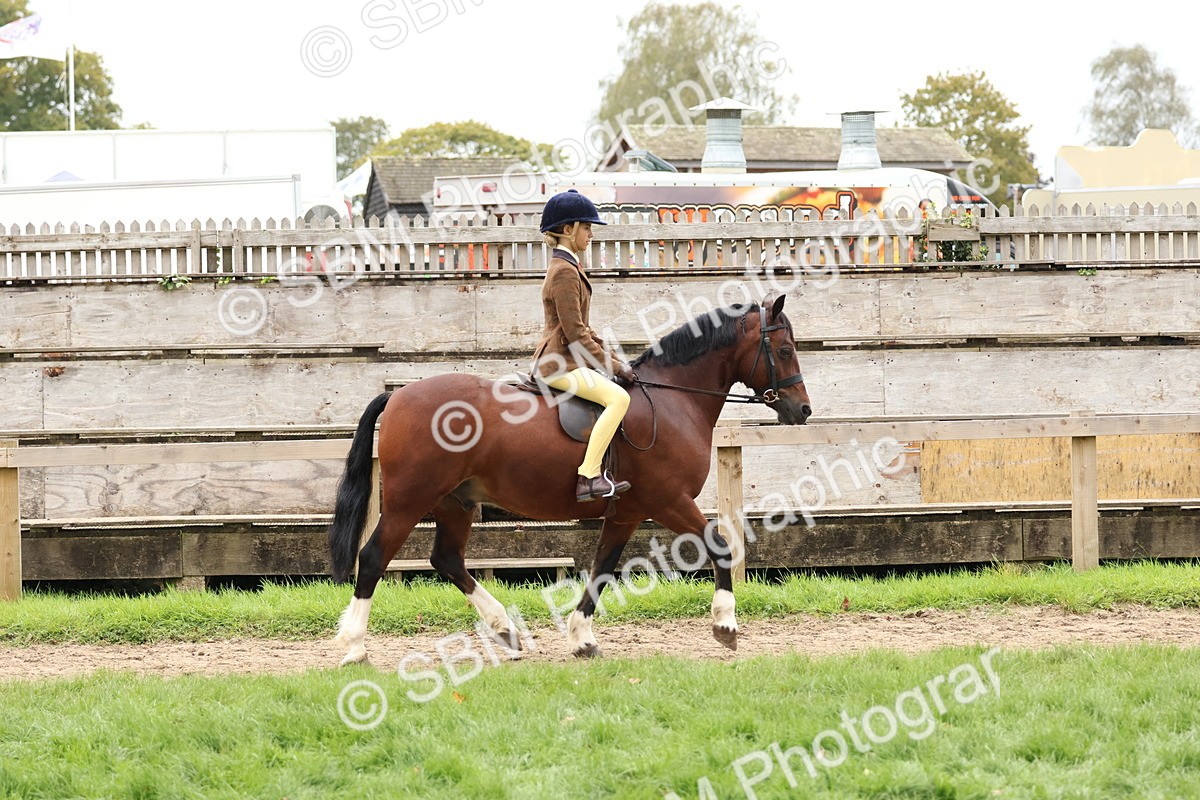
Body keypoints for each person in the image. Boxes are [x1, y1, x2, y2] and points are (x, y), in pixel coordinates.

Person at [531, 189, 635, 502]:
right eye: (587, 228)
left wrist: (617, 359)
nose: (591, 234)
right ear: (568, 230)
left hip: (568, 358)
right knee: (618, 399)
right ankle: (589, 476)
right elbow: (576, 334)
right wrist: (615, 368)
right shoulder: (564, 272)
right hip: (559, 362)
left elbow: (584, 329)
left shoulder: (570, 266)